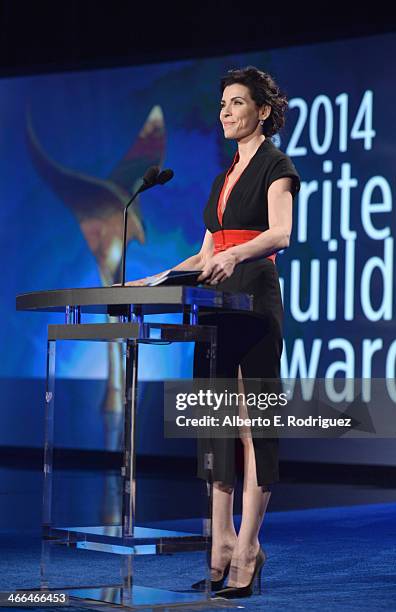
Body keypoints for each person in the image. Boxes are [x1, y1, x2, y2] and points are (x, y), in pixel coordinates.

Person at [127, 66, 300, 598]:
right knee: (217, 429)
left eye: (237, 102)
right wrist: (154, 279)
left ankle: (248, 549)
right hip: (214, 307)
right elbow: (205, 253)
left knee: (252, 432)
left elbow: (281, 233)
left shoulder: (277, 166)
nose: (225, 111)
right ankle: (219, 546)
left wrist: (234, 254)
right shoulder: (223, 178)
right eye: (222, 103)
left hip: (253, 301)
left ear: (262, 112)